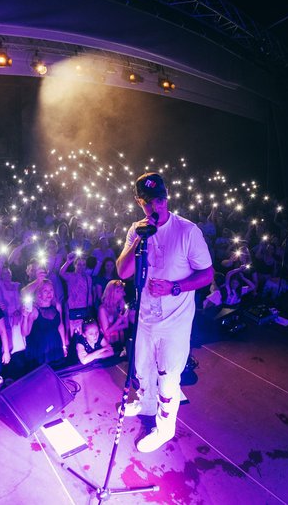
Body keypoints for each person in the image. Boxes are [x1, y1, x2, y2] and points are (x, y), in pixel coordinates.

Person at [116, 172, 213, 453]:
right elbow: (122, 271)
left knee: (168, 378)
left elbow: (207, 274)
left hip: (175, 324)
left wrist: (174, 287)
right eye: (147, 202)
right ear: (139, 202)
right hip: (146, 318)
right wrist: (139, 239)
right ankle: (145, 403)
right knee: (142, 369)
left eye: (158, 200)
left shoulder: (187, 231)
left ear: (166, 197)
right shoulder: (137, 229)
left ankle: (165, 429)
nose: (154, 207)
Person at [20, 279, 67, 368]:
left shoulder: (57, 306)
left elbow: (60, 326)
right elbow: (24, 333)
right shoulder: (34, 310)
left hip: (56, 347)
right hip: (40, 351)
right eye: (45, 291)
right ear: (39, 294)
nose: (49, 293)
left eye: (51, 290)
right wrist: (25, 317)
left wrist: (64, 345)